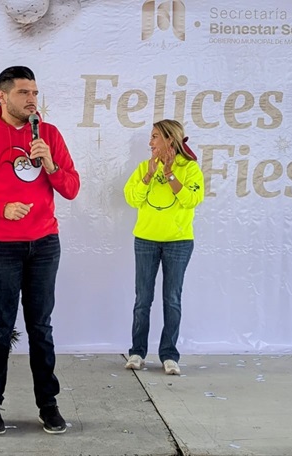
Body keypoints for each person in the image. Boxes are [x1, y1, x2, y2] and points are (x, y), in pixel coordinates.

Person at [0, 66, 80, 435]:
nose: (32, 99)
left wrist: (50, 164)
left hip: (44, 244)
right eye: (24, 93)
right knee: (0, 327)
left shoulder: (49, 135)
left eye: (35, 92)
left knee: (41, 328)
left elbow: (71, 188)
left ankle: (48, 404)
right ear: (3, 96)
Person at [123, 119, 204, 375]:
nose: (150, 142)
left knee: (172, 299)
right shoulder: (144, 167)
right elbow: (132, 198)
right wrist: (148, 175)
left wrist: (169, 174)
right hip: (145, 240)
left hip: (179, 242)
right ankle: (137, 352)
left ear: (170, 139)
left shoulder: (190, 168)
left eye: (155, 136)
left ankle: (169, 355)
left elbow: (192, 199)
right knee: (143, 299)